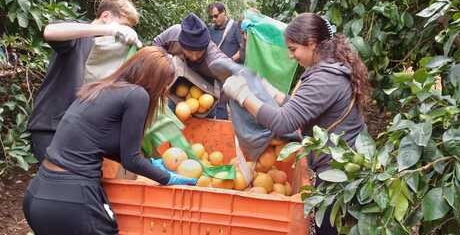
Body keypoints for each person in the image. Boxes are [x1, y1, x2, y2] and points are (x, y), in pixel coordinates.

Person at [222, 12, 371, 234]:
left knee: (329, 229)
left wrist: (244, 97)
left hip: (339, 171)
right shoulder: (330, 68)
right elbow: (309, 108)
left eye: (293, 49)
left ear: (311, 44)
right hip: (342, 164)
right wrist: (273, 93)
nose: (291, 56)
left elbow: (283, 123)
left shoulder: (324, 77)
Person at [23, 46, 197, 235]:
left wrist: (149, 164)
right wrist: (167, 178)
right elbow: (132, 159)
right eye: (165, 84)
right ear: (154, 80)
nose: (165, 91)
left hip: (38, 194)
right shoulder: (137, 95)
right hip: (71, 199)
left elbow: (102, 144)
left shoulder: (102, 88)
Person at [28, 0, 142, 162]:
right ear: (106, 16)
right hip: (51, 128)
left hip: (79, 132)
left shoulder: (107, 52)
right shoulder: (79, 38)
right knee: (60, 184)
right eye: (123, 26)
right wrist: (109, 30)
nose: (124, 33)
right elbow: (50, 31)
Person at [152, 13, 233, 119]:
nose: (194, 57)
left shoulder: (214, 58)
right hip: (177, 88)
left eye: (199, 52)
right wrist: (168, 60)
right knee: (171, 118)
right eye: (189, 51)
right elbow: (156, 44)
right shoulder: (174, 33)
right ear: (181, 44)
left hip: (203, 94)